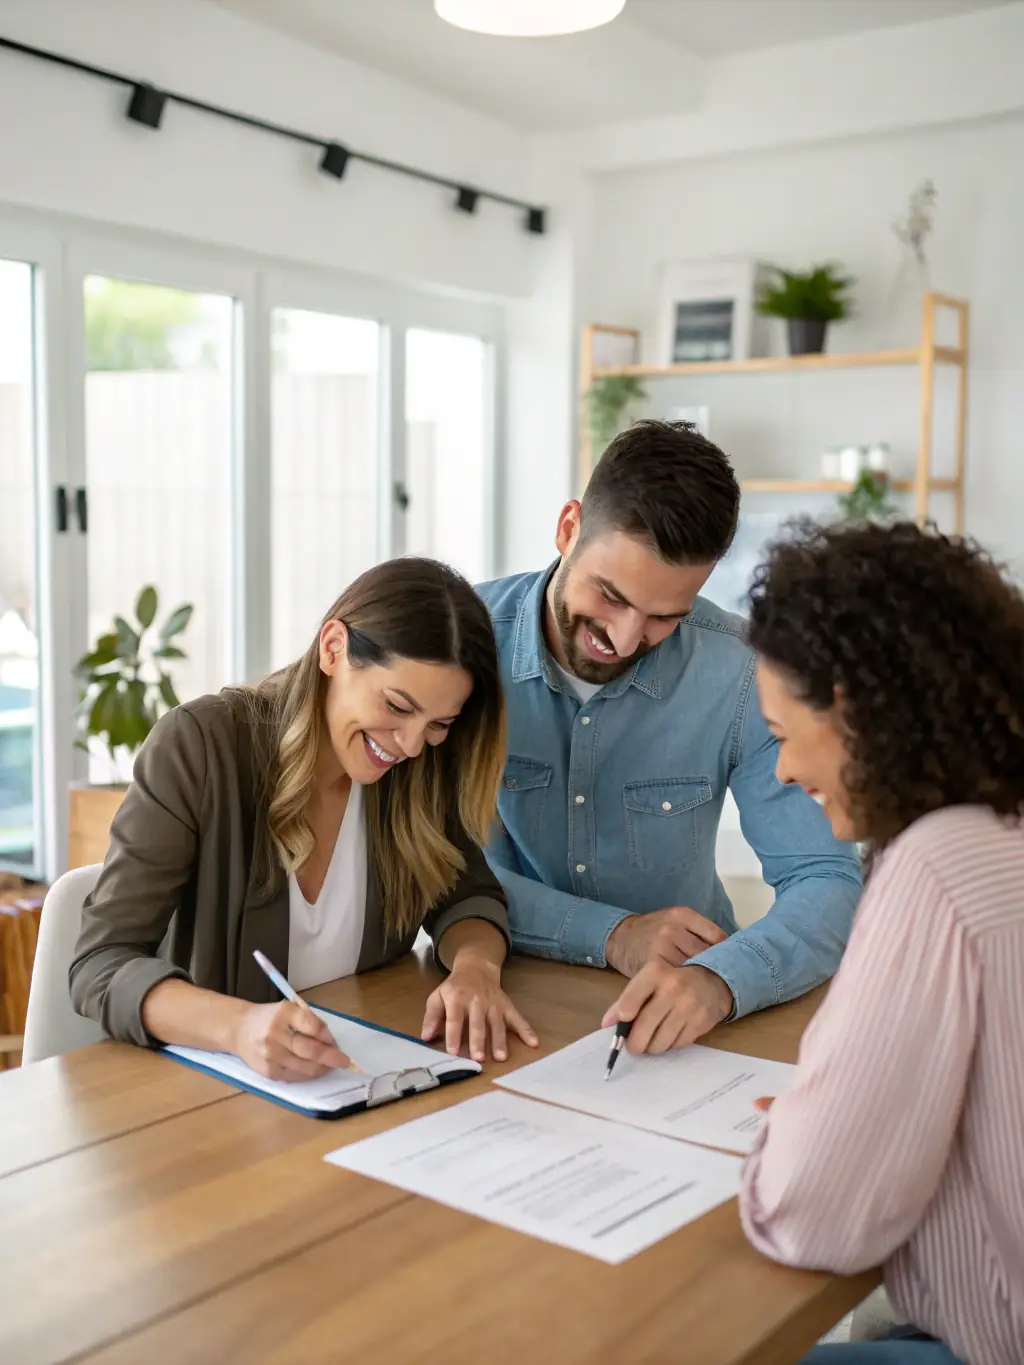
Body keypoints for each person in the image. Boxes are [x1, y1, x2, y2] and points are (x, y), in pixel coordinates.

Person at [71, 558, 538, 1078]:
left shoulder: (416, 768)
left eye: (439, 723)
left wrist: (476, 969)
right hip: (207, 1097)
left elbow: (469, 897)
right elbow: (101, 964)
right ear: (334, 648)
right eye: (396, 705)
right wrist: (238, 1027)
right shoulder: (201, 747)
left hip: (350, 1085)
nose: (409, 744)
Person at [476, 421, 861, 1052]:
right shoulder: (461, 645)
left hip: (684, 1016)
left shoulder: (739, 672)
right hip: (499, 997)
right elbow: (430, 865)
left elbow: (826, 877)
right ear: (568, 528)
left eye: (664, 618)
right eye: (610, 596)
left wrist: (721, 980)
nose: (625, 640)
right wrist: (611, 934)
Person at [739, 520, 1024, 1364]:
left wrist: (791, 1134)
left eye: (784, 733)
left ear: (858, 710)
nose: (783, 770)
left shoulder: (937, 865)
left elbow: (811, 1214)